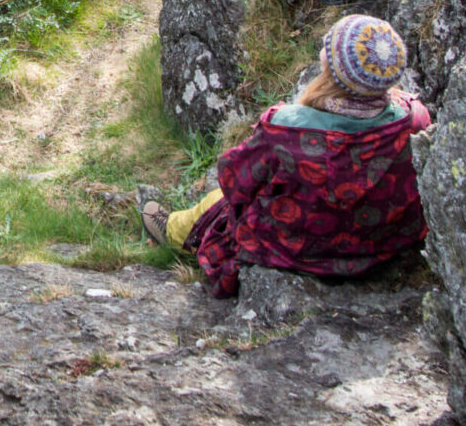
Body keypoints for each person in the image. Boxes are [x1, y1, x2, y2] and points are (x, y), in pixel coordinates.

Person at [140, 15, 433, 298]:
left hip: (297, 246)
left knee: (217, 202)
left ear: (332, 71)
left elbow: (234, 181)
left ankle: (171, 230)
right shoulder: (415, 120)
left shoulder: (285, 128)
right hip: (379, 244)